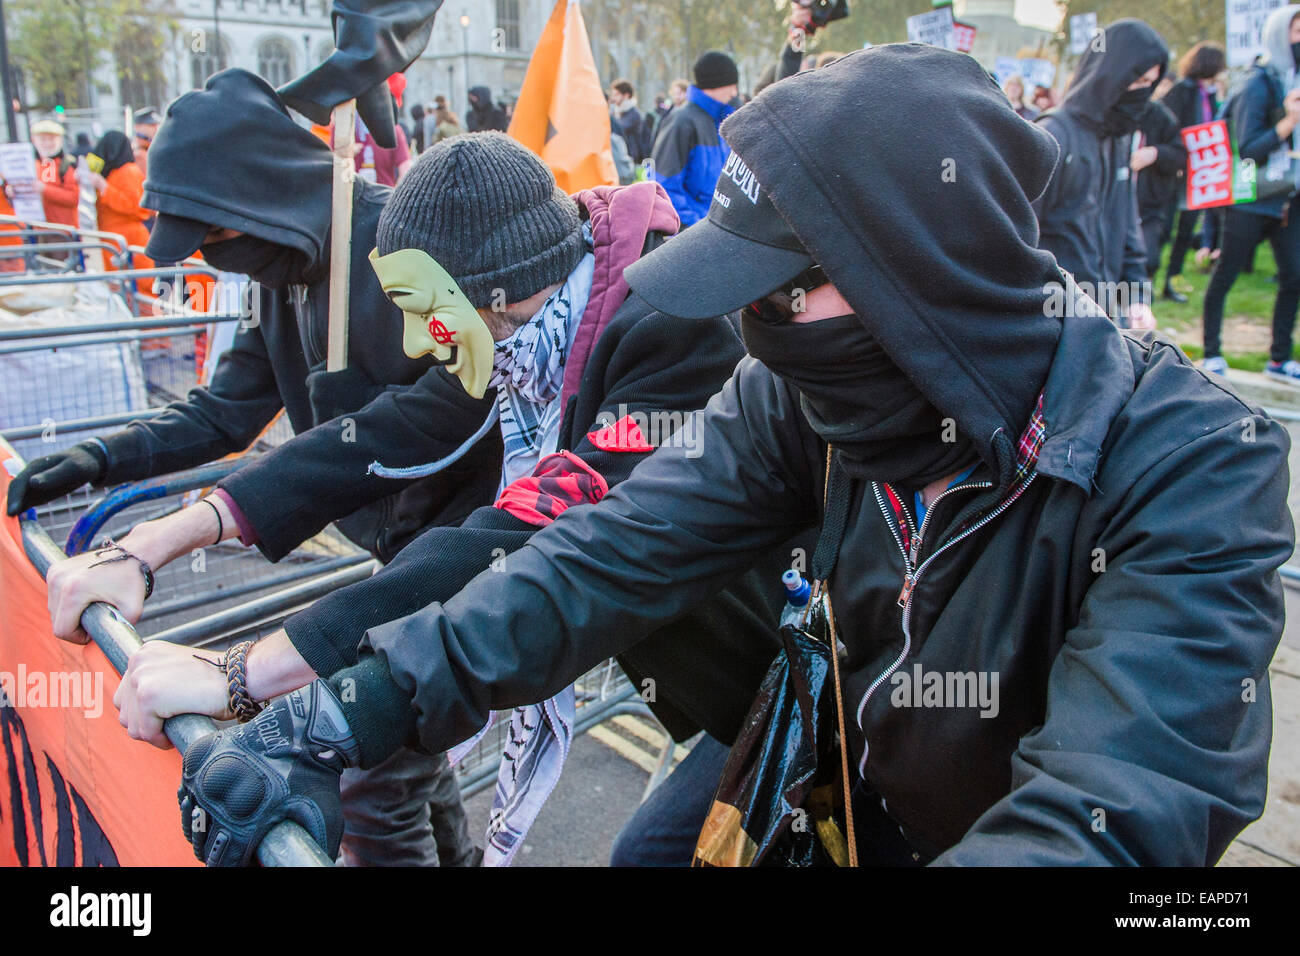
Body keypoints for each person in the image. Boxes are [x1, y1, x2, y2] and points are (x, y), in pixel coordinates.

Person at [165, 44, 1292, 869]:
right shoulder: (798, 391)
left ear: (917, 271)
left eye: (781, 289)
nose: (752, 324)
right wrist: (344, 707)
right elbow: (602, 553)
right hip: (838, 763)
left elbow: (1121, 798)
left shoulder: (1199, 462)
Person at [51, 133, 792, 867]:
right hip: (716, 673)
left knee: (651, 855)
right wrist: (163, 537)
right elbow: (382, 430)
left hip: (798, 678)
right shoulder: (530, 330)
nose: (416, 336)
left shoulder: (671, 333)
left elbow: (515, 536)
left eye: (420, 305)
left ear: (497, 282)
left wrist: (242, 673)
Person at [6, 69, 478, 869]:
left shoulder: (405, 248)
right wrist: (100, 457)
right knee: (410, 753)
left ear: (259, 197)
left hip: (467, 549)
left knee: (369, 772)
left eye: (212, 238)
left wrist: (173, 534)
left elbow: (423, 418)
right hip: (390, 554)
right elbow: (224, 411)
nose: (211, 260)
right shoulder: (279, 277)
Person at [1033, 19, 1169, 329]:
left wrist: (1137, 297)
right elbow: (1019, 235)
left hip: (1108, 314)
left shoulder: (1118, 137)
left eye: (1151, 82)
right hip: (1057, 317)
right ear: (1112, 74)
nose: (1143, 92)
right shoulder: (1053, 135)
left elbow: (1127, 224)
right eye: (1137, 80)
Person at [1203, 6, 1300, 382]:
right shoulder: (1257, 84)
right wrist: (1288, 122)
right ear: (1279, 36)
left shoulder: (1292, 82)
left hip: (1287, 199)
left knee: (1294, 275)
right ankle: (1211, 352)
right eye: (1295, 32)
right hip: (1250, 196)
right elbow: (1249, 150)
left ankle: (1279, 358)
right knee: (1227, 272)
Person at [1157, 41, 1227, 303]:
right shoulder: (1181, 92)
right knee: (1164, 229)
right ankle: (1149, 280)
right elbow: (1167, 126)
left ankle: (1171, 281)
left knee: (1186, 230)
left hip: (1198, 173)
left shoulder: (1209, 94)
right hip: (1176, 170)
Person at [651, 50, 739, 227]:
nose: (734, 93)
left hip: (715, 229)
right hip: (692, 232)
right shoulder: (681, 122)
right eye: (732, 85)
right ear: (718, 84)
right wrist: (696, 225)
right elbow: (662, 186)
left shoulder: (722, 120)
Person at [82, 131, 155, 294]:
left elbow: (136, 207)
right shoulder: (114, 172)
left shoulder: (128, 171)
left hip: (129, 238)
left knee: (141, 289)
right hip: (114, 239)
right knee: (119, 287)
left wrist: (105, 188)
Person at [1134, 97, 1187, 283]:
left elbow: (1180, 154)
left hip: (1148, 206)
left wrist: (1156, 154)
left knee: (1147, 261)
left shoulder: (1159, 115)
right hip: (1107, 207)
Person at [334, 112, 413, 186]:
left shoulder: (392, 129)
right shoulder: (341, 129)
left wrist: (398, 196)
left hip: (384, 196)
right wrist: (345, 154)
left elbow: (405, 167)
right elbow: (331, 165)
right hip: (353, 197)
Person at [30, 119, 79, 229]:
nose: (47, 143)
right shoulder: (33, 165)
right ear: (34, 140)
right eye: (43, 139)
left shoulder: (66, 165)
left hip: (63, 230)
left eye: (52, 139)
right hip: (38, 229)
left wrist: (45, 190)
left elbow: (73, 198)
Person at [609, 78, 650, 163]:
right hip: (620, 156)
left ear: (626, 95)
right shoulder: (617, 112)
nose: (613, 98)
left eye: (616, 94)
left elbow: (618, 129)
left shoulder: (633, 114)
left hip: (630, 159)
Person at [133, 107, 162, 172]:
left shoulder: (152, 148)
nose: (156, 128)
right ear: (137, 127)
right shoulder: (139, 154)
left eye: (157, 125)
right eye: (151, 125)